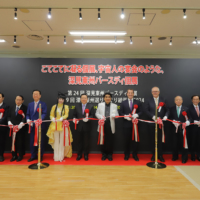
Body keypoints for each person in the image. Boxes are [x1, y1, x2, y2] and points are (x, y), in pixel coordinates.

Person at [144, 86, 169, 162]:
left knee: (160, 140)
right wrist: (153, 117)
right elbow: (146, 110)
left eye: (156, 91)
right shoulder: (148, 100)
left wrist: (166, 116)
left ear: (159, 92)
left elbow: (168, 109)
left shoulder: (163, 99)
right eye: (153, 91)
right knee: (152, 140)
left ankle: (160, 155)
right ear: (151, 92)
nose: (155, 93)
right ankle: (154, 155)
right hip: (152, 123)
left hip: (161, 124)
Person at [47, 93, 73, 162]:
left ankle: (61, 157)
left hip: (63, 125)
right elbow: (51, 115)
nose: (61, 100)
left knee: (62, 141)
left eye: (62, 99)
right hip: (54, 125)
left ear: (64, 100)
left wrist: (62, 118)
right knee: (56, 141)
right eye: (59, 99)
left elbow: (66, 115)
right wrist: (52, 118)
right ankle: (56, 157)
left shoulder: (66, 107)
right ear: (57, 99)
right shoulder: (54, 106)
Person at [119, 89, 143, 161]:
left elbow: (141, 111)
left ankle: (135, 154)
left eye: (131, 93)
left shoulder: (138, 102)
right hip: (126, 124)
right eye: (129, 93)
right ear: (127, 94)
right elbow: (120, 112)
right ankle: (126, 154)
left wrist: (137, 115)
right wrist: (125, 116)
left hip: (135, 124)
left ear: (133, 94)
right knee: (126, 140)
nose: (130, 94)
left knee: (135, 140)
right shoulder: (123, 103)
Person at [95, 92, 119, 161]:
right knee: (102, 140)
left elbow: (117, 115)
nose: (107, 98)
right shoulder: (100, 105)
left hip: (110, 124)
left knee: (110, 140)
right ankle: (104, 154)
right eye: (106, 97)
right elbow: (96, 113)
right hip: (102, 124)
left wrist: (115, 116)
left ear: (111, 98)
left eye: (109, 97)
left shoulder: (114, 105)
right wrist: (101, 117)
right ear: (104, 98)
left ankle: (110, 154)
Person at [26, 90, 47, 162]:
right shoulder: (30, 104)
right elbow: (27, 114)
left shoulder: (43, 104)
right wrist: (28, 120)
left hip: (40, 126)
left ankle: (40, 156)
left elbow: (44, 113)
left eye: (37, 94)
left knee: (40, 141)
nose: (35, 95)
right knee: (32, 141)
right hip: (32, 126)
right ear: (32, 95)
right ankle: (33, 155)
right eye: (34, 94)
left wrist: (39, 119)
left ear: (40, 95)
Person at [169, 96, 190, 163]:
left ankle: (184, 158)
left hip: (183, 129)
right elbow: (169, 117)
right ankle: (175, 157)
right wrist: (173, 121)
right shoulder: (171, 109)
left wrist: (187, 122)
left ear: (182, 101)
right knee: (174, 143)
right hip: (174, 128)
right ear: (175, 101)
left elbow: (190, 118)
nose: (178, 101)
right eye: (177, 100)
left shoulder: (186, 109)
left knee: (183, 143)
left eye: (180, 100)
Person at [73, 94, 94, 161]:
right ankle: (79, 154)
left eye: (85, 98)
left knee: (86, 142)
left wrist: (88, 118)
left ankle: (85, 154)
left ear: (87, 99)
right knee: (79, 141)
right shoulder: (77, 106)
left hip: (87, 126)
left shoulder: (90, 106)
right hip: (79, 127)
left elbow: (92, 115)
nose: (83, 99)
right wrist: (74, 119)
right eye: (82, 98)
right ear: (80, 99)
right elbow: (74, 115)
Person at [7, 95, 27, 162]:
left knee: (20, 142)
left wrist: (21, 124)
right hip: (12, 128)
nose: (18, 101)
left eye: (19, 100)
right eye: (17, 99)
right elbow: (8, 116)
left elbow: (25, 117)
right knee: (13, 142)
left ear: (22, 101)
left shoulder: (25, 108)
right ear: (15, 100)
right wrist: (9, 122)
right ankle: (14, 155)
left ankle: (20, 155)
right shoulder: (11, 107)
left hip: (20, 128)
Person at [188, 95, 200, 161]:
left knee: (199, 142)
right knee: (193, 142)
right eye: (194, 99)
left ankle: (198, 155)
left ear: (199, 100)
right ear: (192, 100)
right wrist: (195, 121)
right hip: (193, 128)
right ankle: (192, 155)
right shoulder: (189, 108)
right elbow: (188, 117)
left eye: (197, 99)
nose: (195, 100)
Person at [0, 93, 9, 162]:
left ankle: (1, 155)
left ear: (3, 98)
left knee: (1, 142)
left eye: (0, 97)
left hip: (2, 128)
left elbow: (5, 117)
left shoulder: (6, 106)